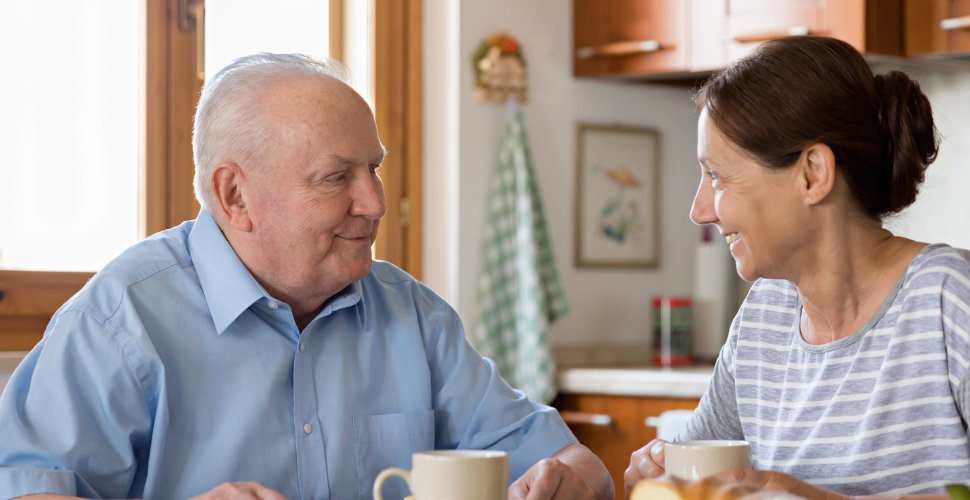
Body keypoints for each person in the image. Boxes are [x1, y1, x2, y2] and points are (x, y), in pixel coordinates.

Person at [0, 54, 613, 500]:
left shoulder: (413, 314)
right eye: (336, 177)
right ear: (234, 194)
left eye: (374, 170)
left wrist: (572, 479)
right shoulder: (118, 322)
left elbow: (572, 461)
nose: (373, 202)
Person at [625, 36, 970, 499]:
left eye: (717, 176)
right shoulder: (762, 322)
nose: (699, 211)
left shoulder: (950, 298)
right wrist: (659, 475)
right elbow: (693, 475)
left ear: (813, 173)